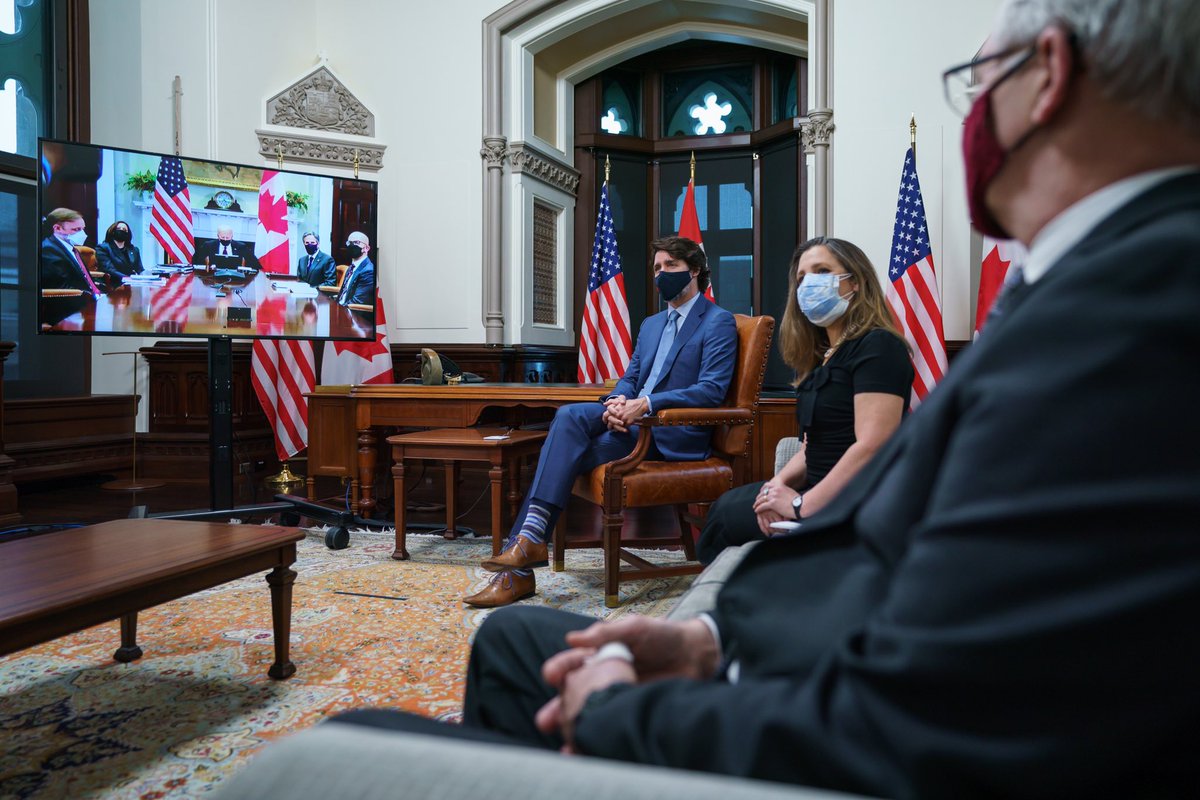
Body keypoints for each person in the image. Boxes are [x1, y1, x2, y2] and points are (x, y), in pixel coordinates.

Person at [328, 1, 1200, 797]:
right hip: (827, 634)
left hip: (848, 716)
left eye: (975, 85)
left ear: (1047, 75)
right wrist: (717, 639)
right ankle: (526, 542)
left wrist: (618, 715)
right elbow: (920, 540)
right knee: (525, 607)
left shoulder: (1133, 316)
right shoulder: (1084, 287)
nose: (970, 116)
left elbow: (930, 717)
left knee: (357, 740)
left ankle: (532, 567)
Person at [462, 235, 737, 608]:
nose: (661, 274)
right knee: (569, 420)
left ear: (696, 270)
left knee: (564, 444)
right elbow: (631, 375)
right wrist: (616, 401)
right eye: (657, 268)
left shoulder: (718, 322)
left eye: (670, 266)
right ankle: (525, 550)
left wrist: (646, 404)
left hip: (670, 432)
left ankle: (521, 558)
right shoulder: (652, 324)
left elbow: (710, 390)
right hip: (630, 424)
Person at [696, 237, 911, 564]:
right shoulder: (821, 358)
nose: (809, 283)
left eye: (822, 271)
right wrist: (775, 490)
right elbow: (812, 447)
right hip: (814, 486)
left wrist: (800, 507)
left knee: (727, 521)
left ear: (855, 282)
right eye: (801, 278)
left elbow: (873, 445)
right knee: (726, 509)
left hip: (860, 495)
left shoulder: (879, 346)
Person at [40, 207, 103, 294]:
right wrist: (91, 297)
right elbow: (62, 287)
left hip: (89, 295)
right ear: (57, 228)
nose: (83, 234)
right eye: (77, 229)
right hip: (75, 302)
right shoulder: (48, 250)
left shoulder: (72, 248)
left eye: (83, 229)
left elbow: (82, 278)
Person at [337, 231, 376, 306]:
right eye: (349, 243)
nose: (351, 245)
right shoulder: (351, 267)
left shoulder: (369, 271)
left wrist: (338, 309)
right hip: (341, 307)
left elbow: (357, 302)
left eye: (356, 242)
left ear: (366, 248)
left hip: (352, 314)